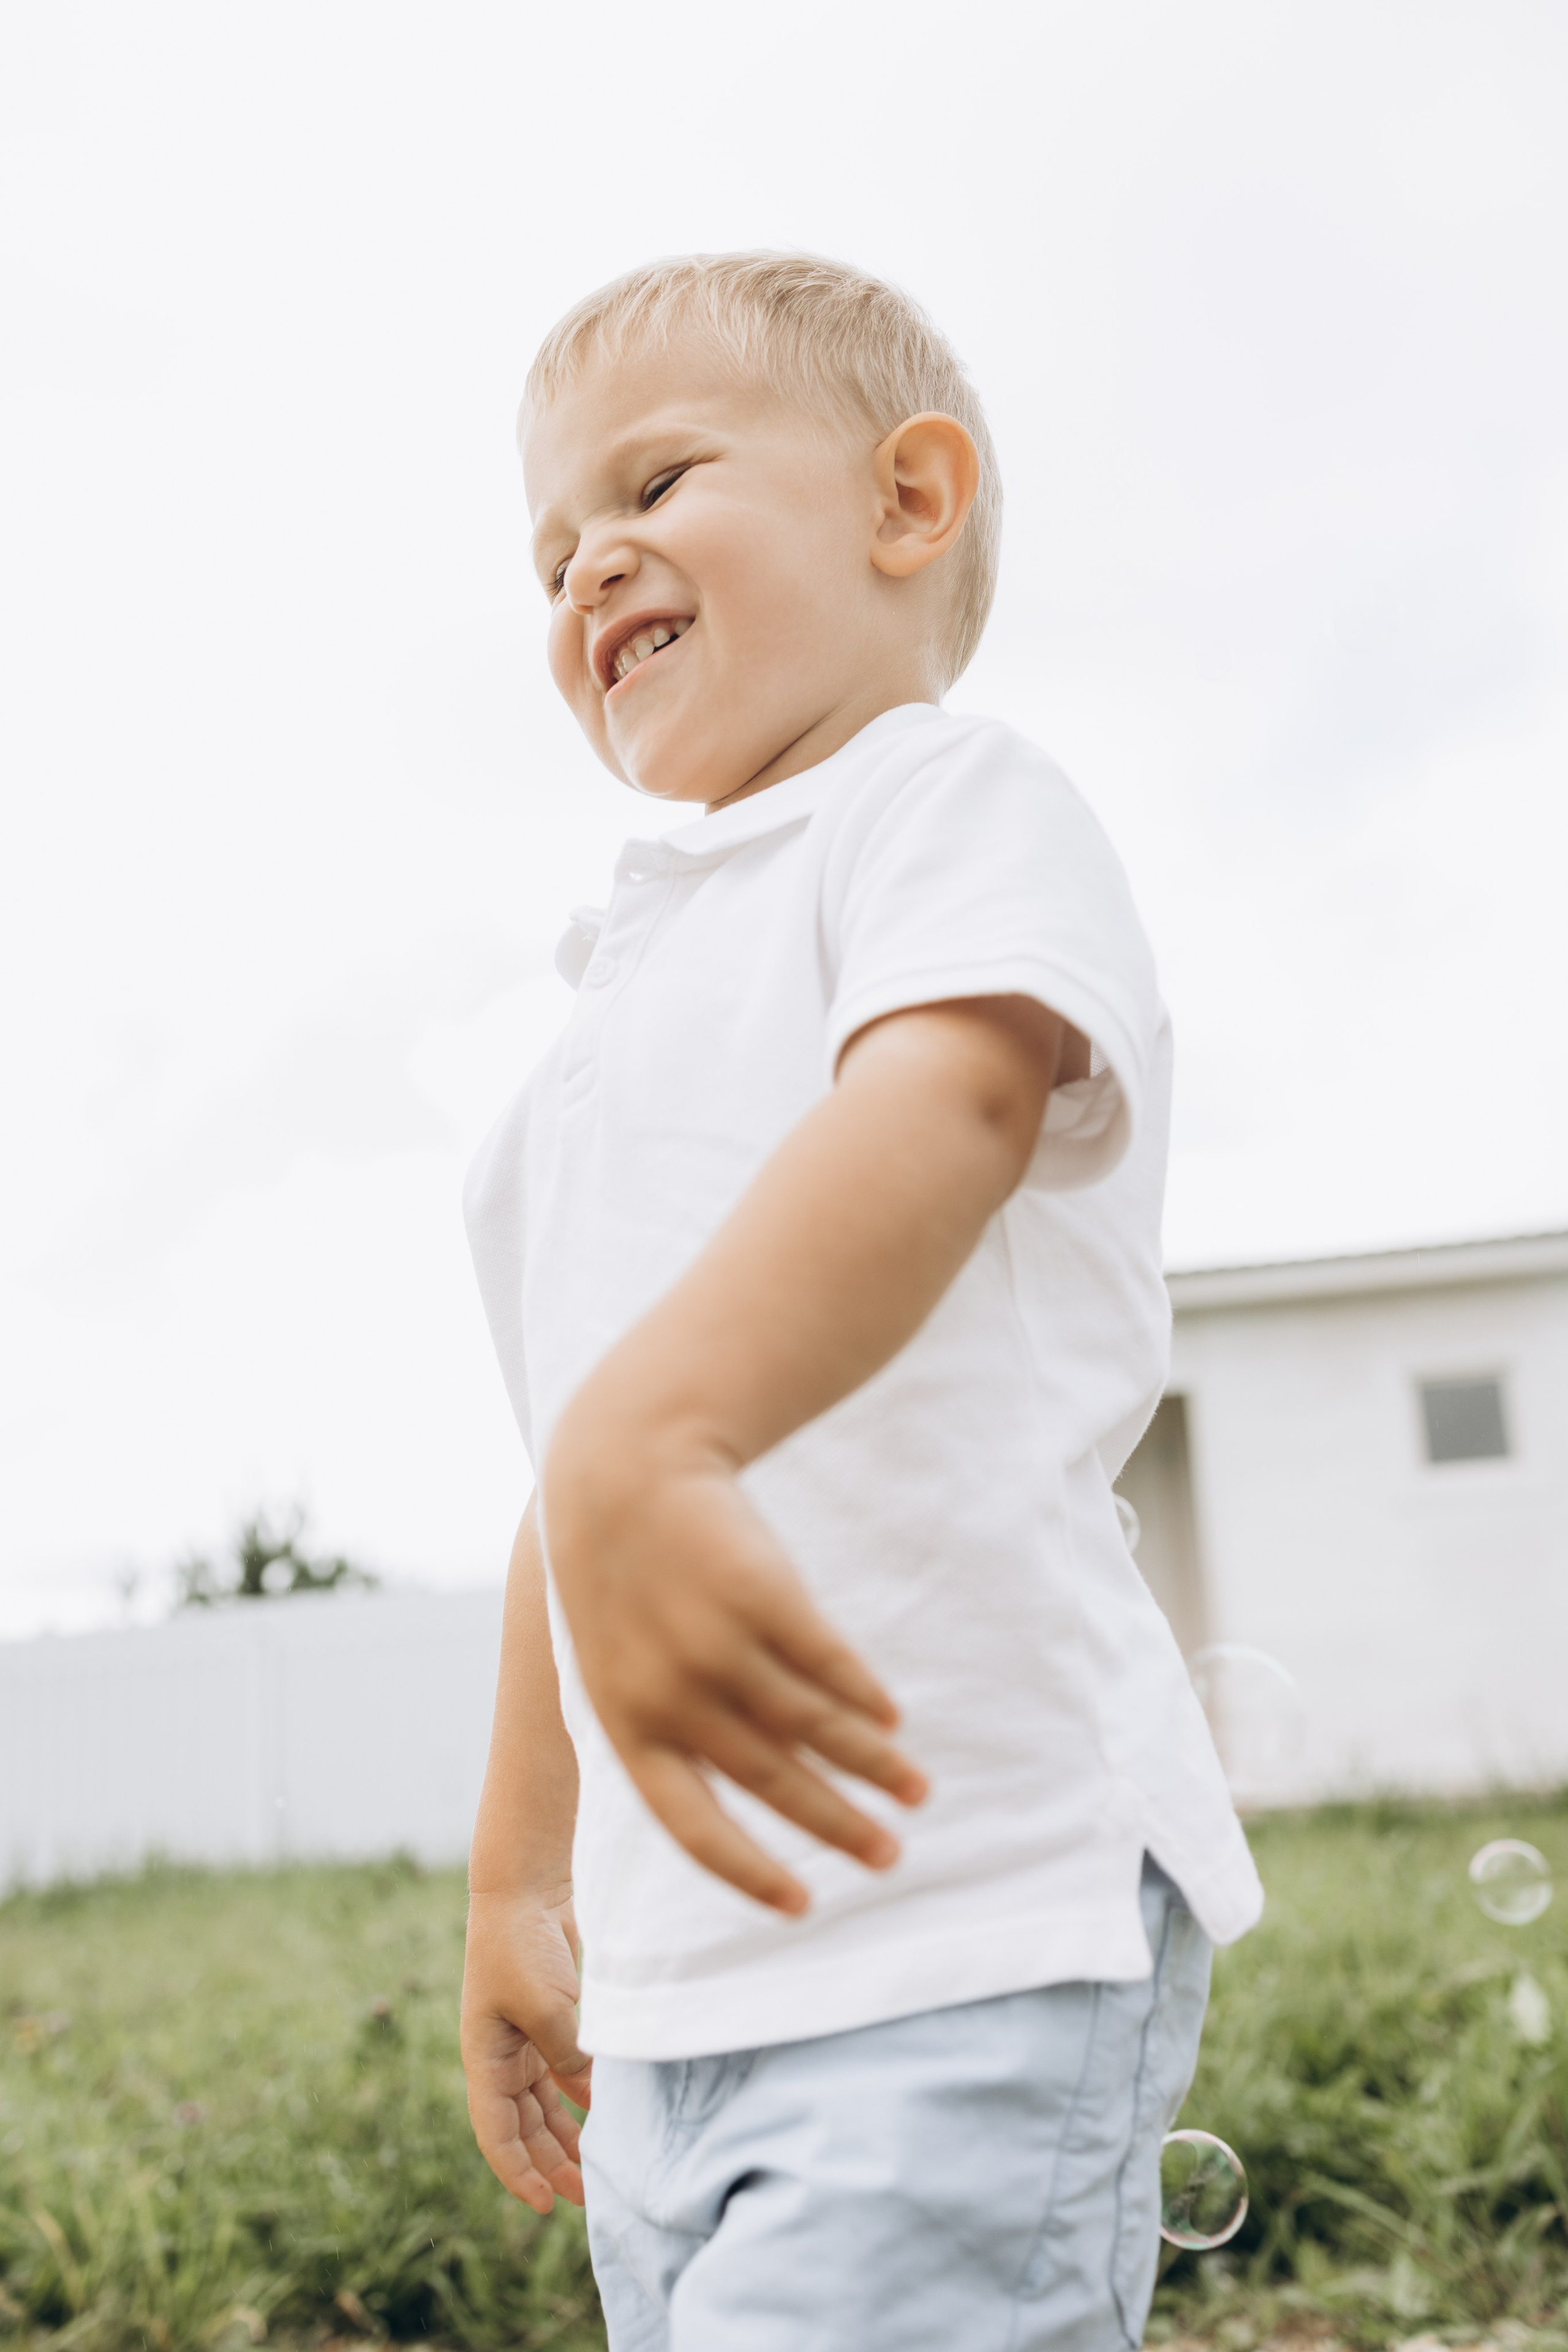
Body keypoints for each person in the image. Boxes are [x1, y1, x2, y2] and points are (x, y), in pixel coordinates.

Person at [459, 251, 1263, 2351]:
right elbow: (578, 1475)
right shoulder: (586, 1035)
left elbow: (953, 1094)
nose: (588, 563)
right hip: (680, 1989)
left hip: (967, 1921)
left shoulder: (942, 803)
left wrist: (667, 1426)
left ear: (908, 502)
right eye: (551, 546)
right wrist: (515, 1881)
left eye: (656, 477)